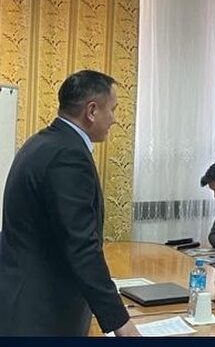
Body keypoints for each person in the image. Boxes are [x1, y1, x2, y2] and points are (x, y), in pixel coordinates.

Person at [0, 70, 138, 336]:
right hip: (42, 312)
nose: (115, 119)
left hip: (24, 299)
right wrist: (122, 324)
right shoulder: (68, 155)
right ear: (92, 111)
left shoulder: (43, 141)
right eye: (112, 109)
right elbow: (81, 246)